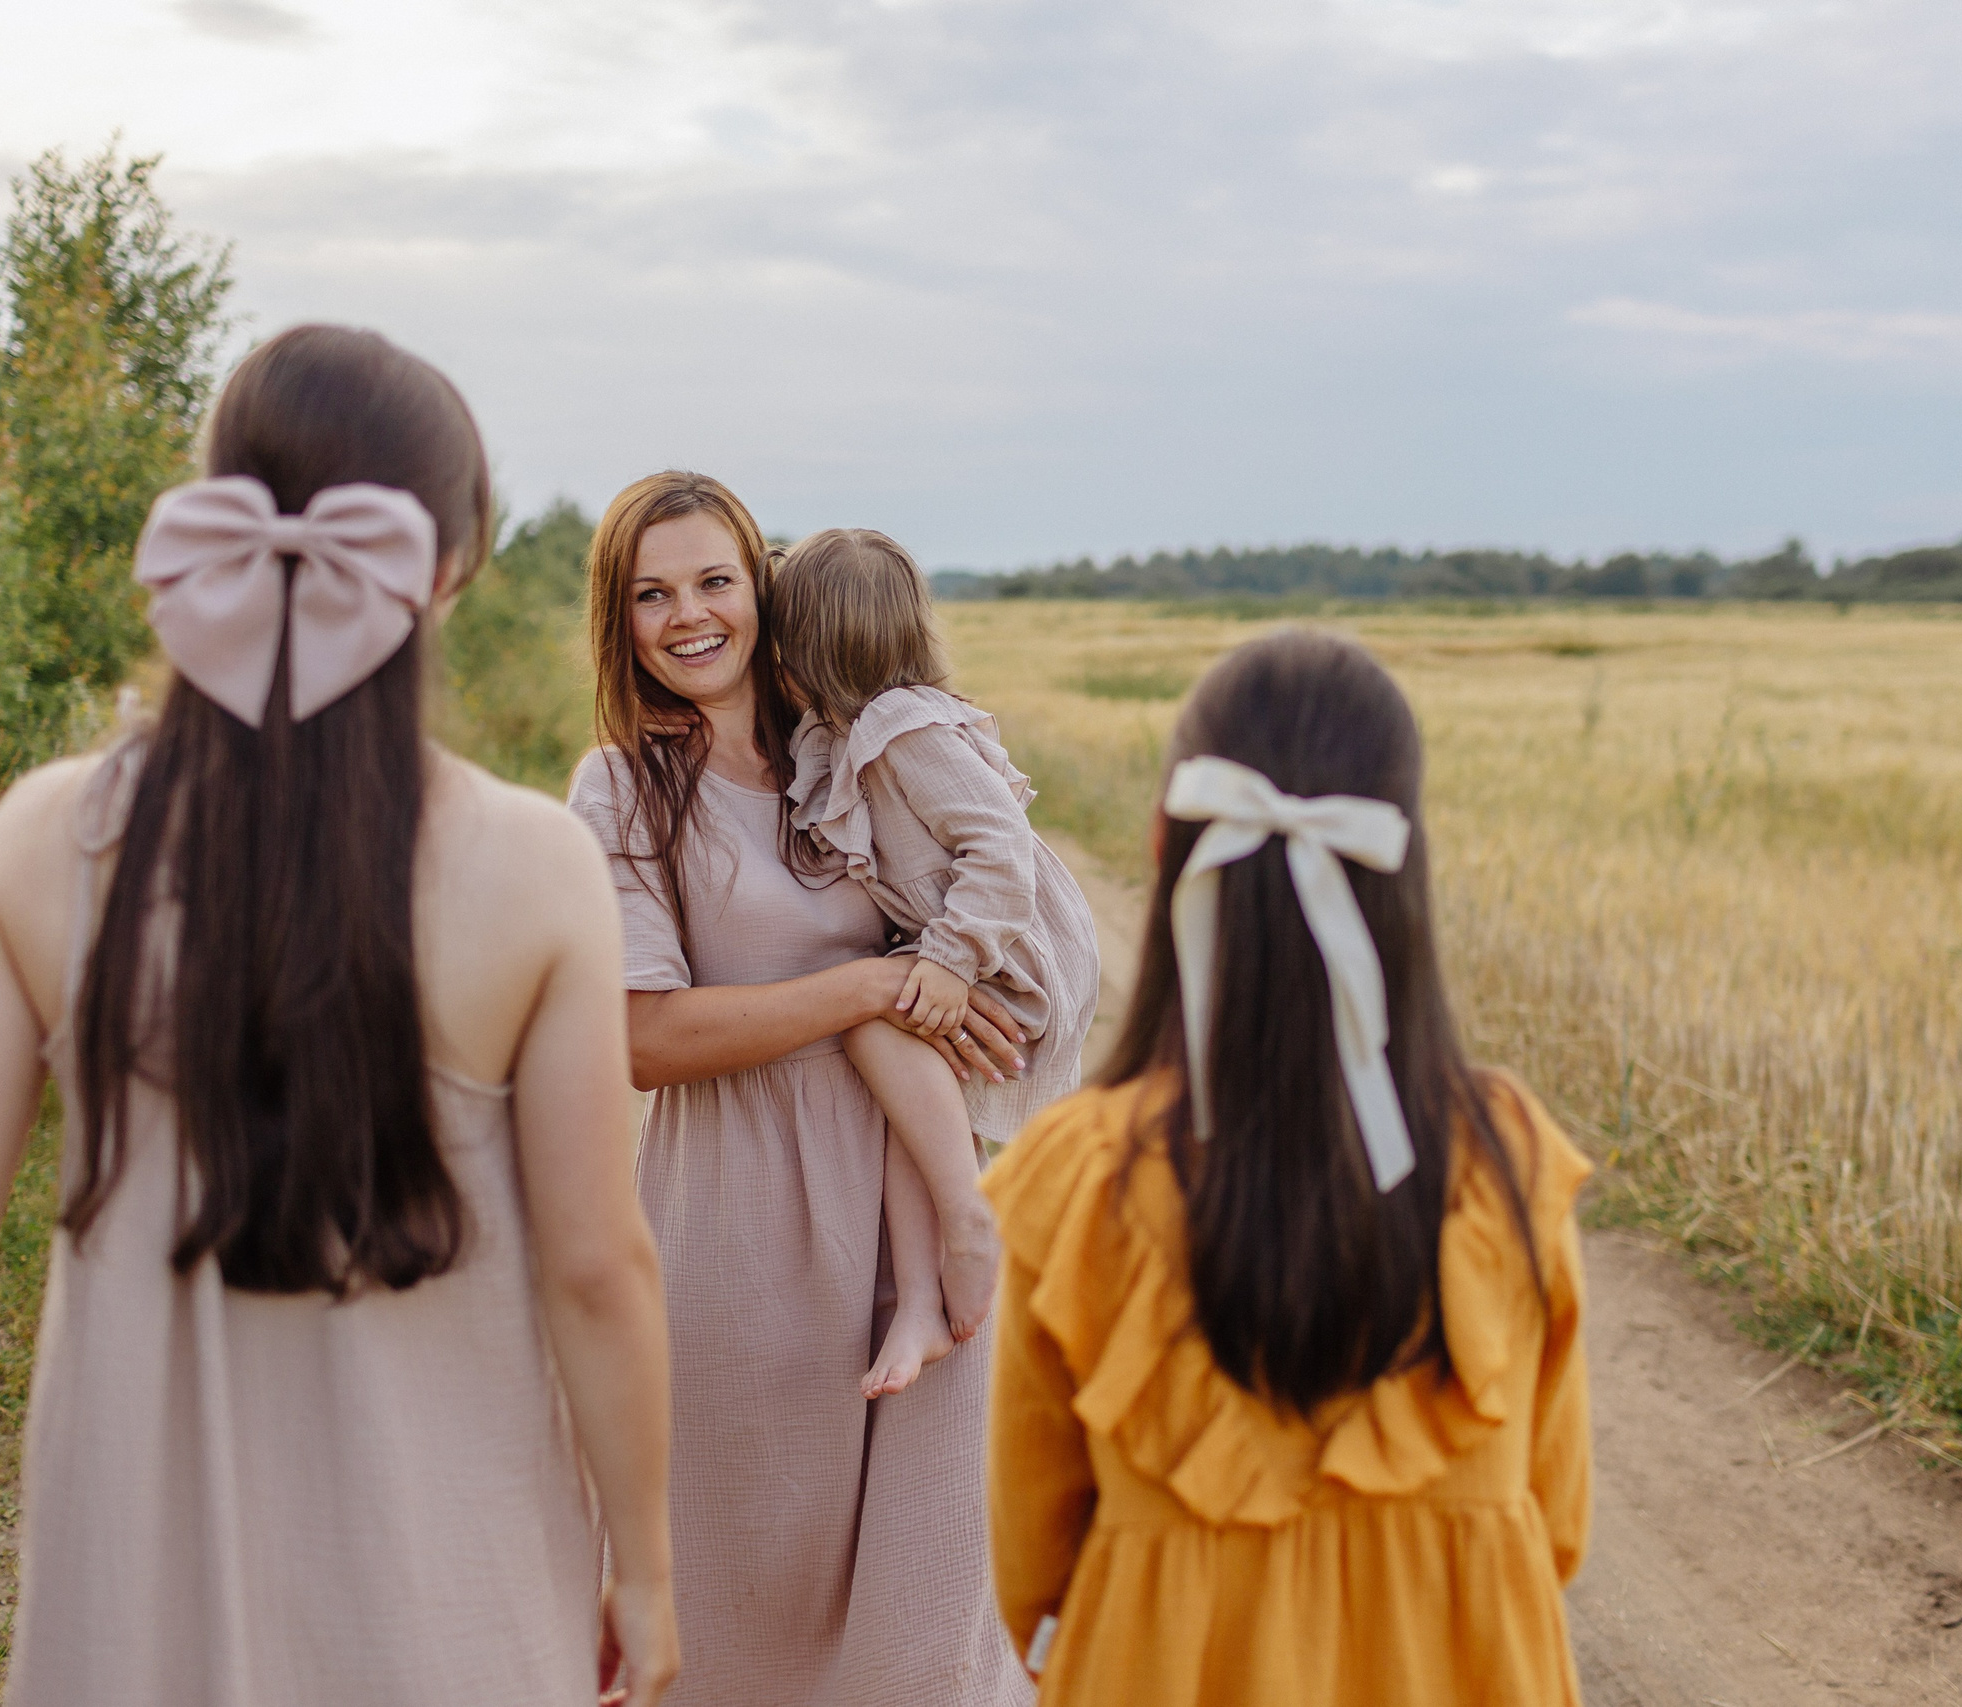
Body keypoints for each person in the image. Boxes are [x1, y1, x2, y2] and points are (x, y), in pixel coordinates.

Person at [0, 325, 676, 1707]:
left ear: (217, 519)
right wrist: (642, 1566)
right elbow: (600, 1268)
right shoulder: (533, 868)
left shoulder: (46, 838)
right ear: (451, 567)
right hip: (450, 1614)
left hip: (136, 1613)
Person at [982, 629, 1595, 1706]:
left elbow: (1031, 1568)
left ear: (1167, 852)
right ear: (1407, 869)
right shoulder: (1506, 1158)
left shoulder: (1078, 1177)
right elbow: (1557, 1526)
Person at [568, 473, 1037, 1707]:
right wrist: (879, 988)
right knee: (735, 1606)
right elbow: (646, 1039)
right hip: (736, 1235)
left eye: (715, 581)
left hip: (916, 1225)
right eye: (649, 594)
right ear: (617, 621)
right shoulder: (620, 791)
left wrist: (974, 980)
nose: (688, 616)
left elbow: (998, 882)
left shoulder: (866, 745)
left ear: (762, 590)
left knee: (928, 1613)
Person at [770, 527, 1100, 1399]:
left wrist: (950, 961)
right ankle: (922, 1296)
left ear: (803, 649)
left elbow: (1000, 848)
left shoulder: (900, 726)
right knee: (911, 1111)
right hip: (969, 941)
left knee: (875, 1027)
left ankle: (972, 1218)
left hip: (1011, 946)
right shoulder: (839, 734)